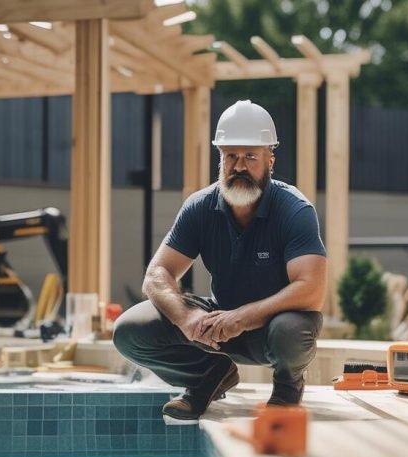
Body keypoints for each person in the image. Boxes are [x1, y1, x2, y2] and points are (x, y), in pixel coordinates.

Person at [113, 100, 327, 420]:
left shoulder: (294, 209)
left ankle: (286, 391)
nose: (239, 166)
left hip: (273, 328)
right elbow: (158, 273)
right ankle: (208, 377)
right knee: (129, 330)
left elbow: (311, 289)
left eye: (250, 157)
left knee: (291, 330)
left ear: (270, 160)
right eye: (231, 156)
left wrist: (243, 317)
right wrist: (186, 318)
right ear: (220, 158)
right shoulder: (200, 206)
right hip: (218, 327)